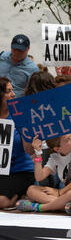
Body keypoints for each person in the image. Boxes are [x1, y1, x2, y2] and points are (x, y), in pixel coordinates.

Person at [15, 134, 71, 213]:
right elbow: (39, 177)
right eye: (67, 140)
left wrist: (60, 192)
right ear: (57, 149)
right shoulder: (55, 157)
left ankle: (41, 207)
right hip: (67, 195)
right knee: (31, 190)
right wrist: (38, 153)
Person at [0, 78, 35, 209]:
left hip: (20, 171)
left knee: (2, 201)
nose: (13, 94)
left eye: (12, 90)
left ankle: (18, 199)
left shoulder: (19, 115)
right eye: (8, 91)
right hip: (1, 173)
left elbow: (30, 150)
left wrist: (26, 131)